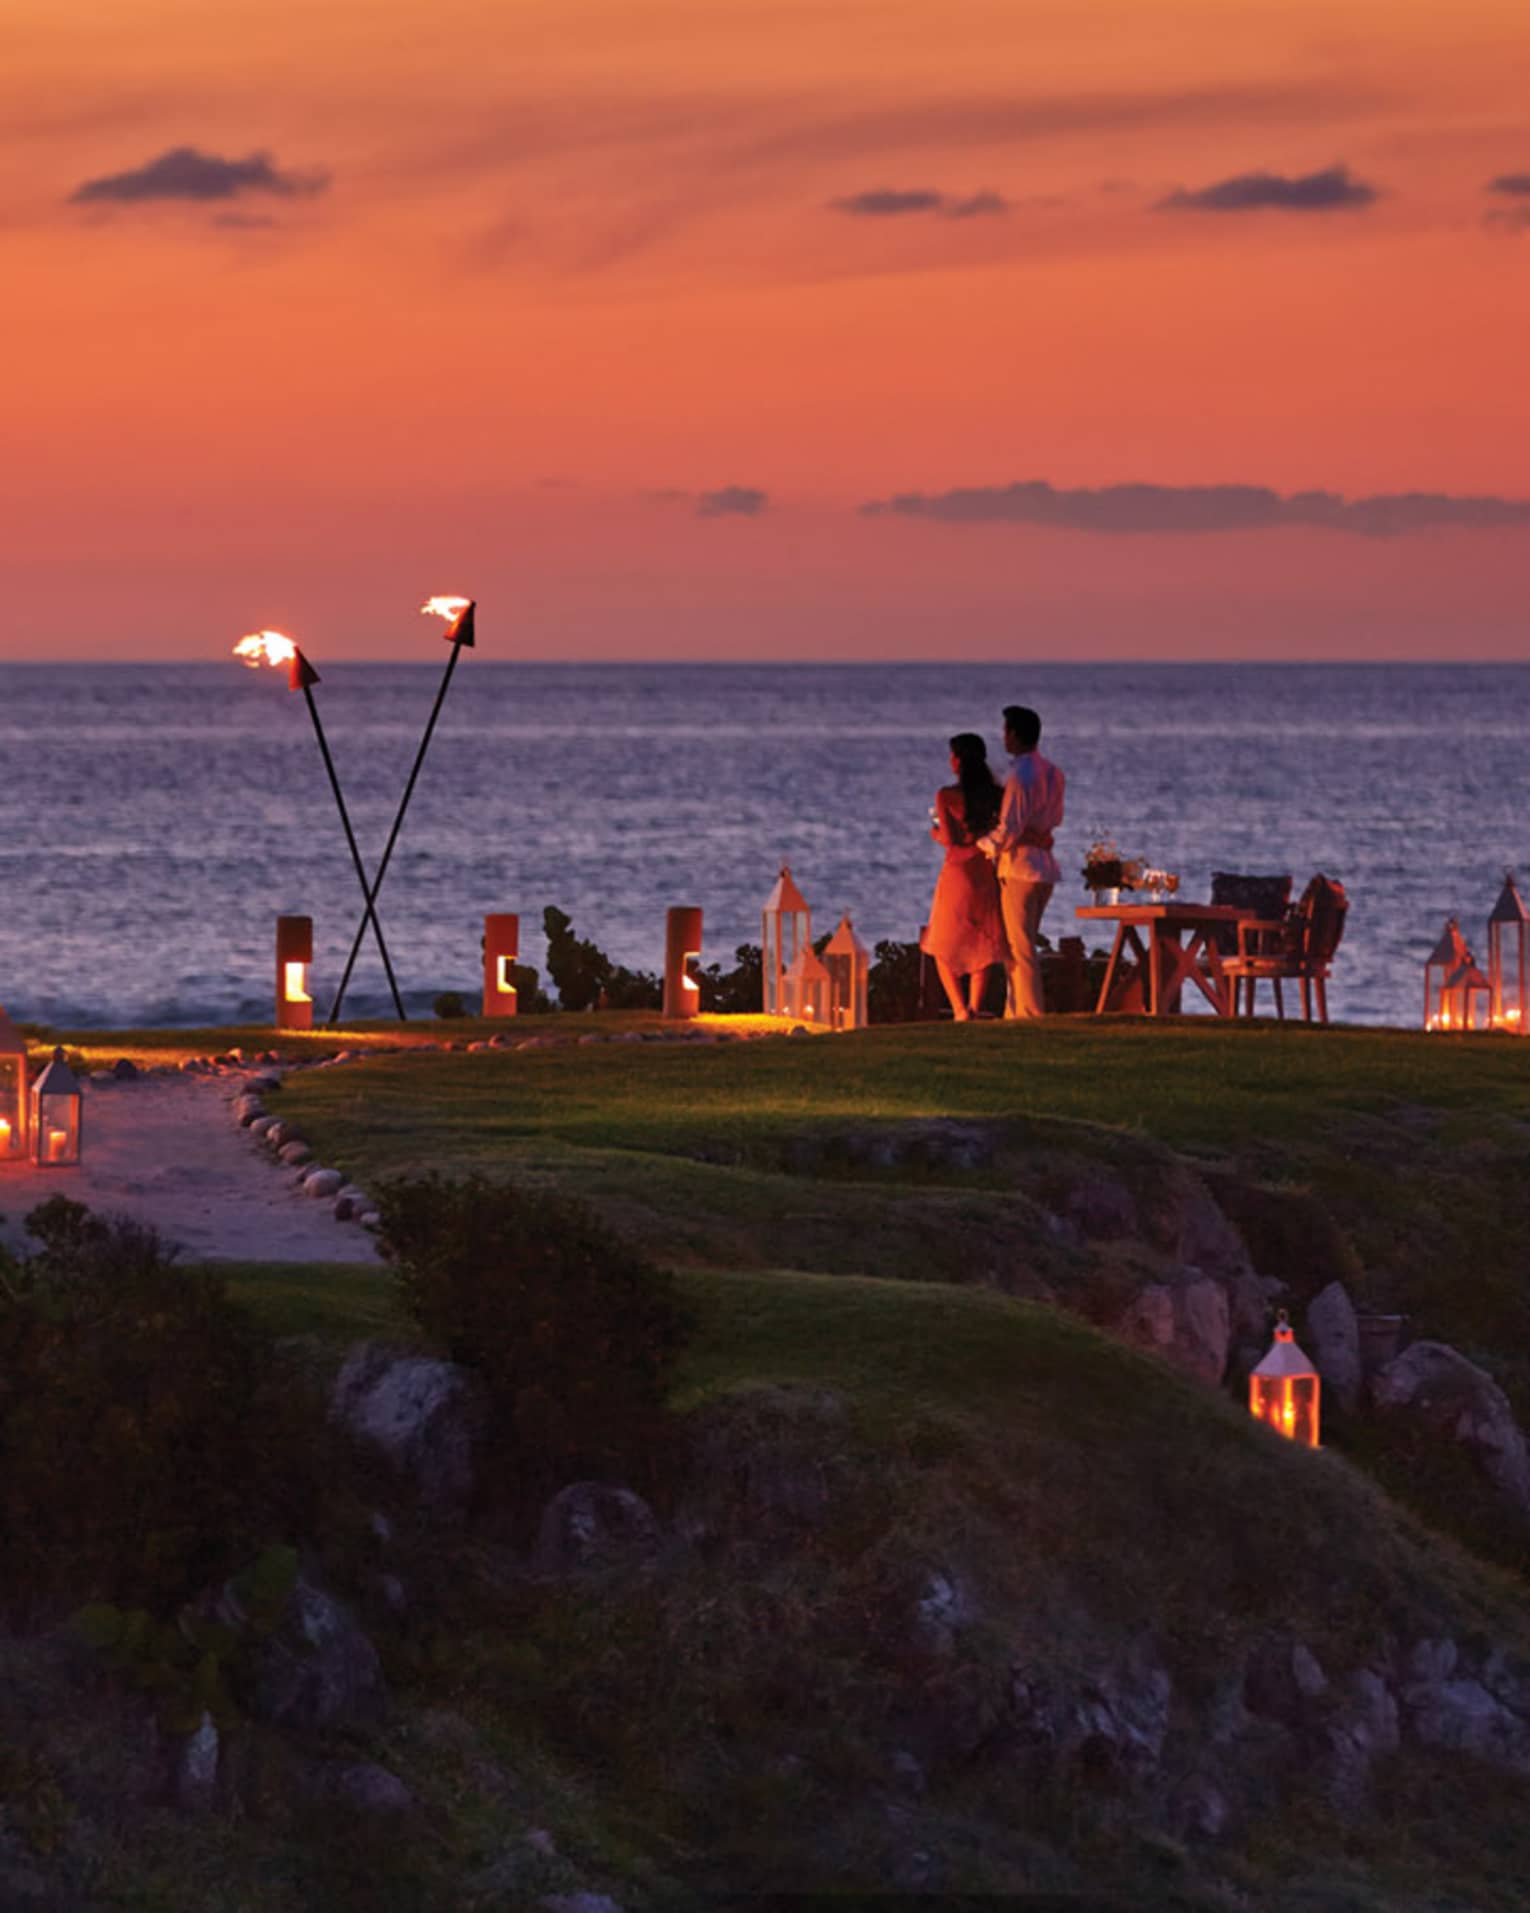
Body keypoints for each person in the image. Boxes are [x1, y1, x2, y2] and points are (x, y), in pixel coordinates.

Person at [980, 704, 1065, 1019]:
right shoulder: (1053, 773)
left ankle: (1029, 1013)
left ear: (1014, 734)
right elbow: (1054, 818)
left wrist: (981, 845)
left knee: (1019, 945)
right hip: (1044, 868)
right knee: (1021, 942)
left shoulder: (1020, 775)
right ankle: (1013, 1011)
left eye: (1005, 731)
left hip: (1020, 869)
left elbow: (1010, 828)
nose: (1003, 737)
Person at [920, 733, 1009, 1020]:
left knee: (942, 942)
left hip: (957, 872)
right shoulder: (996, 794)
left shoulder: (946, 796)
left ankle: (960, 1010)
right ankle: (974, 1006)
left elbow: (949, 839)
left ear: (958, 760)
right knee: (981, 939)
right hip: (984, 871)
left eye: (952, 756)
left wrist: (934, 833)